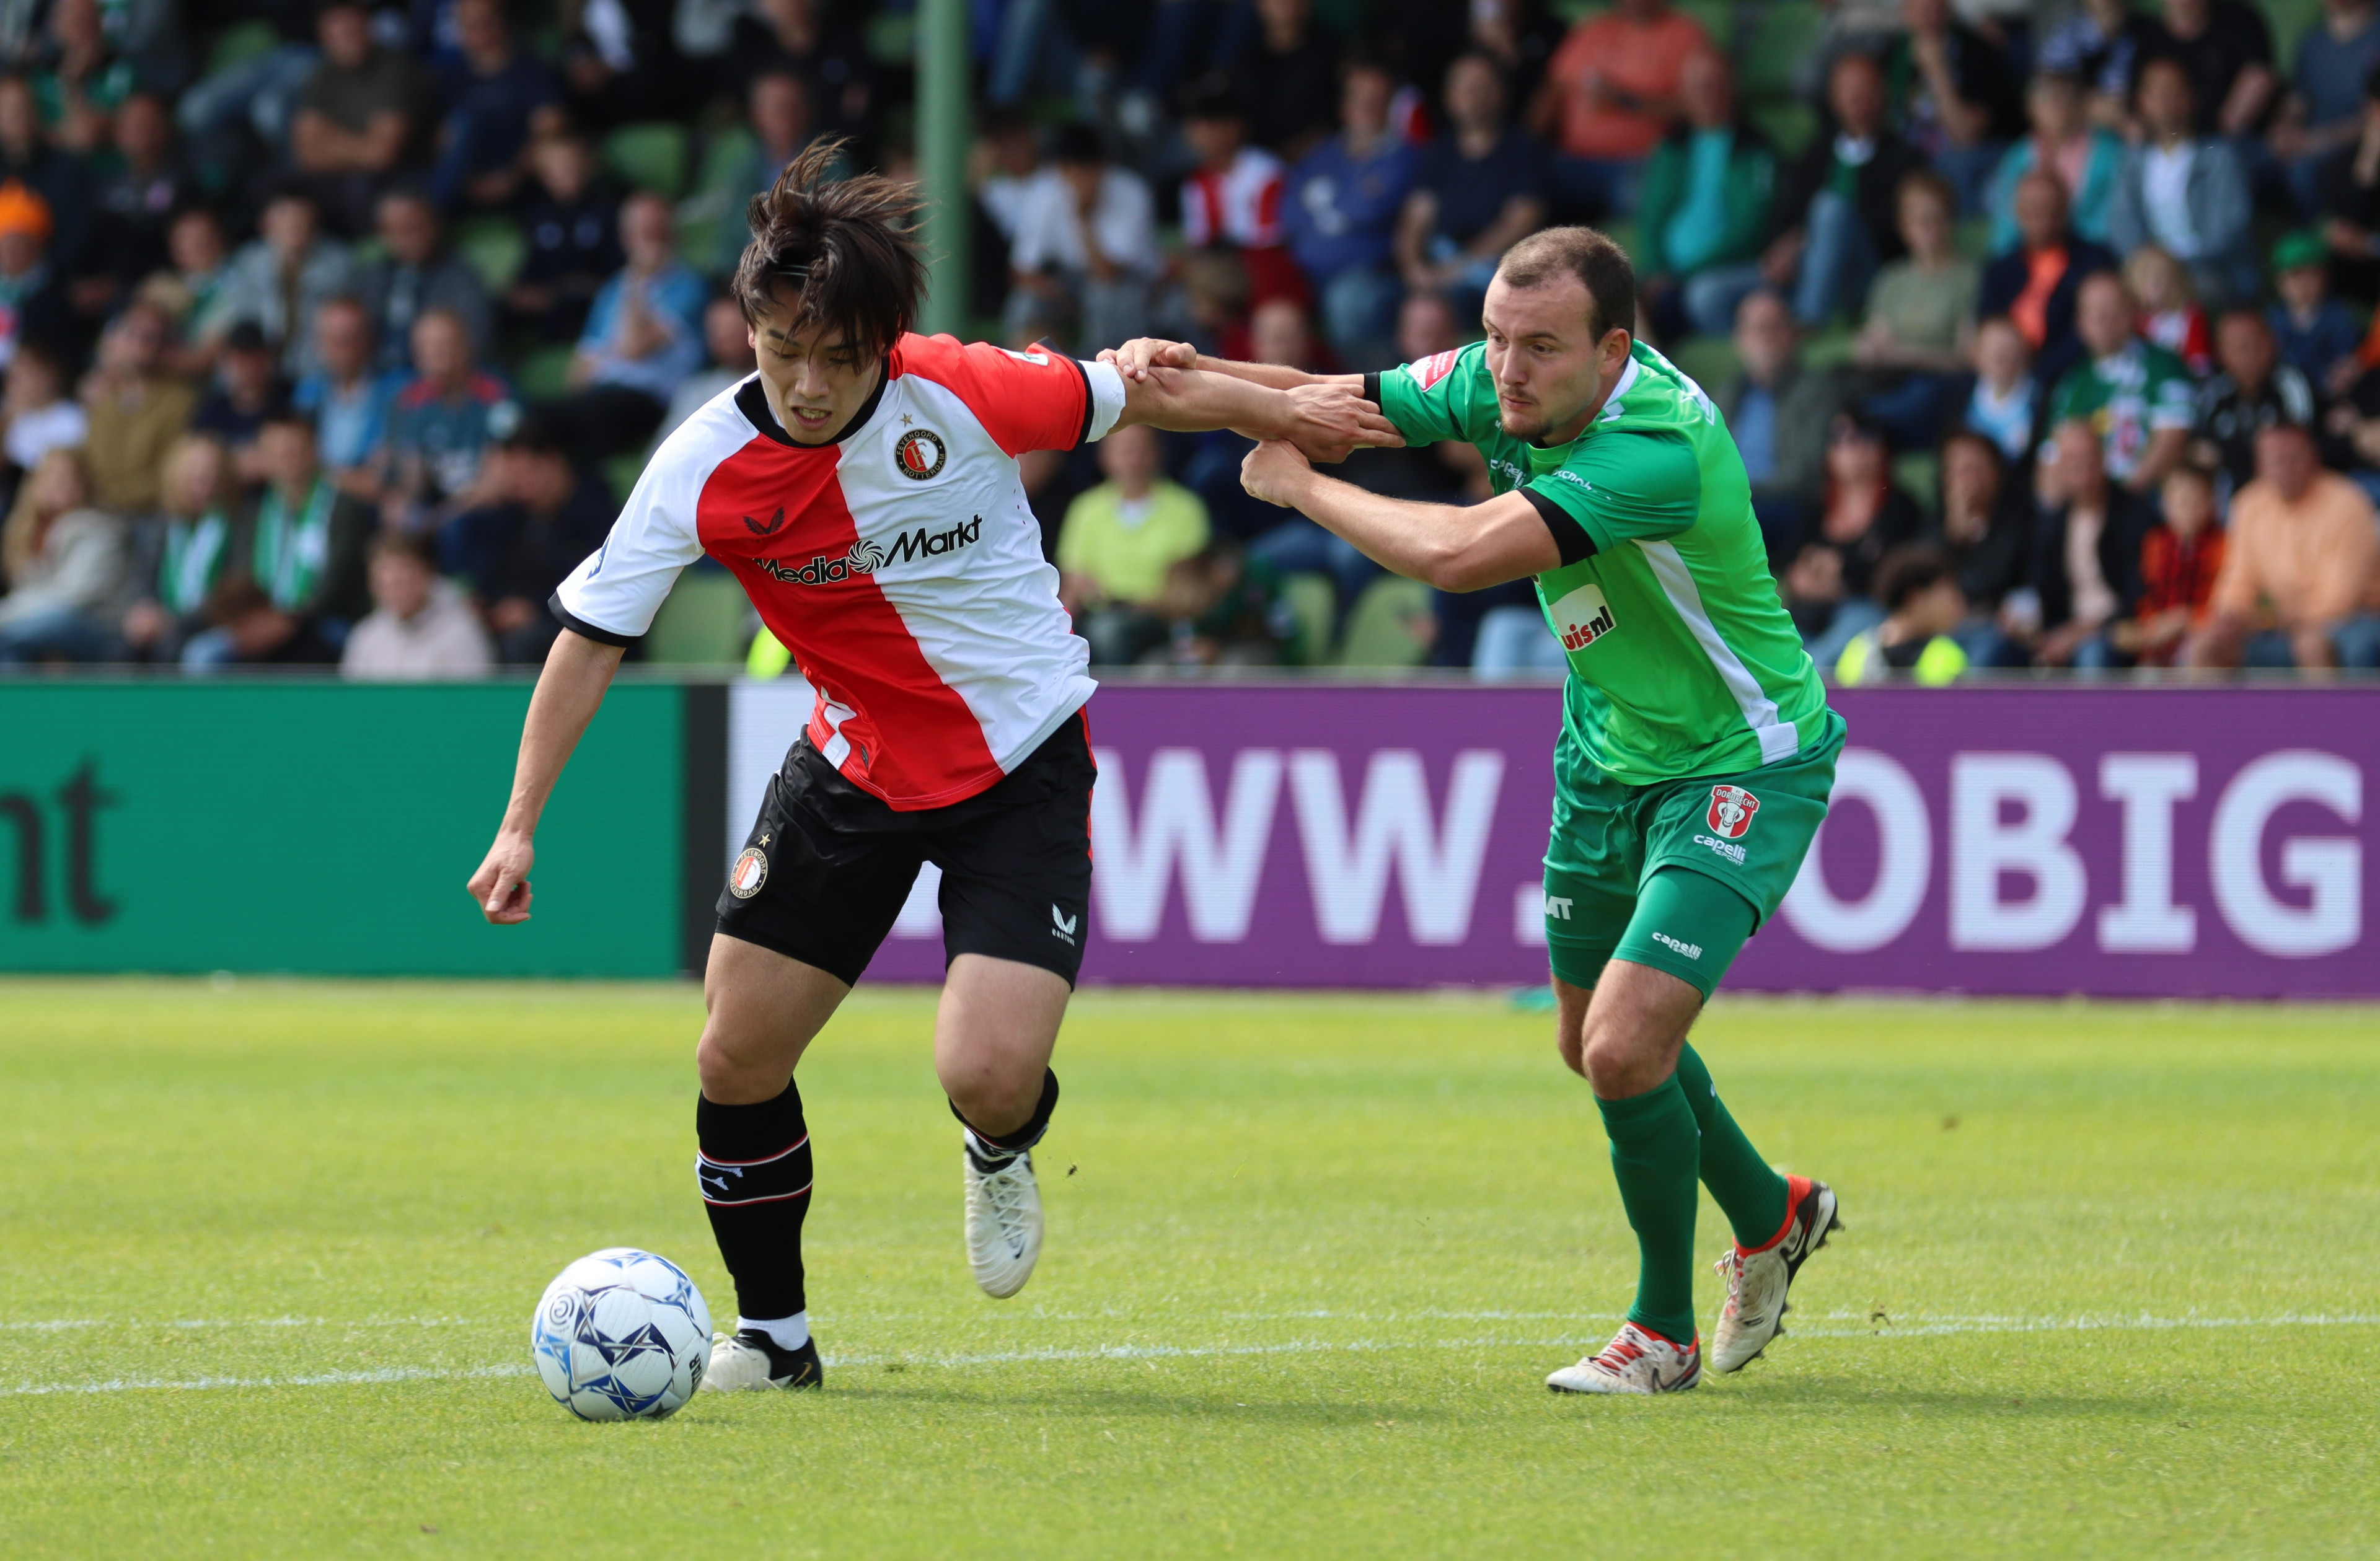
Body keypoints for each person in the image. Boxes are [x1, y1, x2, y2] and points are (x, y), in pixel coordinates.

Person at [462, 141, 1396, 1394]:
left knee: (988, 1076)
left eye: (836, 357)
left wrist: (1300, 409)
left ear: (884, 343)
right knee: (734, 1054)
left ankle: (999, 1146)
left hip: (1019, 764)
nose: (805, 382)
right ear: (748, 330)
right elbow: (590, 638)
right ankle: (775, 1338)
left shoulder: (963, 387)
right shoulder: (699, 466)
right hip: (850, 768)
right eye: (779, 350)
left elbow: (1153, 393)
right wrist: (520, 820)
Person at [1104, 225, 1846, 1395]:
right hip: (1605, 751)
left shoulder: (1654, 446)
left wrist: (1300, 487)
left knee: (1622, 1045)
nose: (1506, 369)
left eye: (1538, 347)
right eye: (1496, 337)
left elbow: (1455, 553)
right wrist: (1164, 380)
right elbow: (1329, 402)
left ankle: (1662, 1332)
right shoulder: (1506, 379)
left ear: (1613, 351)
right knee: (1587, 1042)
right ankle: (1774, 1211)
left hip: (1738, 763)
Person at [181, 411, 373, 668]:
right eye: (277, 452)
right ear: (263, 457)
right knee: (202, 654)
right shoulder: (254, 510)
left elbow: (336, 585)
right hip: (259, 621)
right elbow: (241, 576)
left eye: (294, 450)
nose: (287, 459)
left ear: (314, 451)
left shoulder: (344, 508)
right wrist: (251, 621)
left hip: (323, 621)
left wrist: (288, 621)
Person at [2188, 420, 2380, 669]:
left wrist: (2279, 620)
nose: (2286, 468)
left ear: (2314, 459)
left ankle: (2328, 698)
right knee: (2208, 646)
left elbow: (2342, 597)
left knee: (2312, 646)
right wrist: (2230, 617)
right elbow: (2238, 578)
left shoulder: (2348, 504)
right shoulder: (2249, 504)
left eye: (2294, 459)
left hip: (2353, 619)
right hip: (2283, 624)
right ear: (2260, 465)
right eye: (2277, 460)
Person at [1763, 50, 1926, 327]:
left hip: (1870, 276)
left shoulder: (1904, 158)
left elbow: (1892, 233)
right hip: (1806, 268)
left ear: (1884, 95)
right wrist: (1783, 247)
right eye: (1849, 90)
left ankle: (1807, 321)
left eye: (1867, 89)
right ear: (1833, 97)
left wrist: (1813, 236)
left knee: (1831, 208)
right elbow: (1789, 211)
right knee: (1710, 294)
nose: (1858, 98)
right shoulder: (1816, 153)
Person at [435, 414, 609, 663]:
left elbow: (598, 586)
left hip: (573, 627)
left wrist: (536, 610)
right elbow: (470, 549)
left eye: (525, 473)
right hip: (511, 623)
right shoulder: (511, 515)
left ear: (553, 463)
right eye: (511, 476)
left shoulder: (596, 512)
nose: (517, 485)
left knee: (521, 644)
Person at [1282, 58, 1417, 370]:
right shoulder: (1321, 155)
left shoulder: (1406, 157)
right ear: (1344, 106)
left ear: (1391, 106)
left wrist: (1335, 210)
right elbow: (1291, 214)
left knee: (1347, 303)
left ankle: (1368, 390)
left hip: (1372, 276)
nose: (1367, 107)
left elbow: (1372, 211)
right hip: (1306, 271)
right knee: (1275, 310)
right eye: (1358, 98)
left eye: (1377, 99)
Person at [1394, 52, 1549, 324]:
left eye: (1480, 87)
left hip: (1497, 273)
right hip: (1438, 264)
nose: (1471, 96)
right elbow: (1415, 220)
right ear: (1448, 96)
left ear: (1501, 94)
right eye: (1462, 87)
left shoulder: (1523, 151)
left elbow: (1521, 221)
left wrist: (1458, 268)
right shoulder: (1438, 154)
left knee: (1439, 308)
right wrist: (1415, 269)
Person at [1632, 51, 1776, 341]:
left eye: (1717, 85)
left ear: (1732, 89)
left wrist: (1682, 274)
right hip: (1667, 278)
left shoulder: (1754, 149)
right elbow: (1652, 215)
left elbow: (1749, 229)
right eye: (1700, 87)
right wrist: (1656, 270)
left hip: (1719, 273)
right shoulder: (1671, 147)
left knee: (1682, 302)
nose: (1710, 95)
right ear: (1684, 95)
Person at [558, 191, 705, 460]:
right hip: (603, 396)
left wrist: (639, 281)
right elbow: (577, 375)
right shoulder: (612, 291)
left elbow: (634, 348)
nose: (648, 240)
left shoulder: (688, 286)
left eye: (655, 231)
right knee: (541, 422)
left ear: (671, 234)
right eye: (639, 232)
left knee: (595, 418)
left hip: (651, 400)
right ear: (625, 238)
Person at [1535, 0, 1711, 219]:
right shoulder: (1595, 29)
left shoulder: (1684, 33)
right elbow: (1554, 89)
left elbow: (1698, 106)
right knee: (1526, 194)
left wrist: (1624, 100)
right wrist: (1526, 142)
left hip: (1640, 162)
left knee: (1646, 199)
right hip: (1573, 160)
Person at [2106, 57, 2257, 310]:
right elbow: (2121, 223)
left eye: (2175, 91)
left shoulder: (2218, 156)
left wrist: (2171, 267)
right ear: (2141, 102)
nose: (2166, 100)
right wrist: (2148, 264)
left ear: (2192, 98)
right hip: (2148, 272)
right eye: (2157, 93)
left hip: (2209, 270)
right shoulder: (2132, 161)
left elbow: (2230, 228)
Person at [1057, 422, 1212, 665]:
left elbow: (1185, 584)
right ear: (1104, 457)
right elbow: (1074, 579)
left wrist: (1138, 604)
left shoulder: (1186, 508)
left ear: (1158, 453)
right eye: (1124, 450)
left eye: (1142, 449)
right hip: (1100, 614)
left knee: (1108, 632)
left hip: (1161, 620)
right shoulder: (1086, 509)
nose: (1133, 459)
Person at [1004, 121, 1160, 357]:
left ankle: (1099, 371)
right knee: (1025, 302)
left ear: (1102, 167)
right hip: (1067, 283)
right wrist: (1059, 294)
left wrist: (1083, 218)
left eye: (1087, 168)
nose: (1078, 177)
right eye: (1070, 168)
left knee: (1105, 297)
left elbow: (1107, 273)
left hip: (1129, 283)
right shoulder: (1045, 191)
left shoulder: (1131, 191)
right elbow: (1022, 271)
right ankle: (1025, 371)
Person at [1853, 170, 1979, 451]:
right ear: (1904, 226)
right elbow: (1877, 338)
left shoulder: (1970, 278)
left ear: (1952, 221)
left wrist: (1904, 354)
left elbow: (1966, 359)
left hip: (1940, 385)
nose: (1930, 228)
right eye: (1921, 220)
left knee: (1914, 399)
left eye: (1938, 218)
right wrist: (1866, 348)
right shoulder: (1892, 279)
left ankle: (1865, 430)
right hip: (1890, 381)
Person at [1717, 288, 1845, 558]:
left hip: (1784, 507)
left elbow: (1806, 476)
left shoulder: (1817, 391)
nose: (1767, 338)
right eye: (1758, 329)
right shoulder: (1728, 394)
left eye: (1776, 327)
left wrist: (1737, 491)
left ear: (1793, 334)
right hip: (1731, 505)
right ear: (1740, 339)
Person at [2048, 271, 2195, 500]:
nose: (2103, 318)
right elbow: (2050, 465)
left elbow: (2171, 444)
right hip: (2090, 507)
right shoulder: (2071, 383)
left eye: (2113, 307)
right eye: (2093, 310)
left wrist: (2120, 506)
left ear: (2132, 312)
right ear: (2080, 322)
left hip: (2149, 504)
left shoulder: (2165, 365)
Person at [289, 0, 427, 237]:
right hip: (340, 175)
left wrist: (330, 141)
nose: (345, 40)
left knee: (359, 186)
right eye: (337, 34)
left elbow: (383, 154)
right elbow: (305, 151)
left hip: (400, 174)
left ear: (368, 27)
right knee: (283, 188)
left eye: (350, 31)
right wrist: (362, 147)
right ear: (323, 37)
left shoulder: (395, 69)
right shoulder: (323, 74)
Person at [2019, 417, 2147, 667]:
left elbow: (2136, 598)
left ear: (2104, 459)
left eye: (2089, 459)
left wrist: (2079, 633)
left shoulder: (2134, 517)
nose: (2083, 470)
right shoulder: (2052, 524)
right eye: (2073, 461)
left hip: (2116, 630)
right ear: (2060, 467)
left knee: (2092, 656)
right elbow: (2041, 589)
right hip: (2064, 627)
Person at [1977, 170, 2119, 391]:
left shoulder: (2093, 260)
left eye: (2050, 207)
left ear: (2065, 209)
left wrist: (2039, 373)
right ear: (2018, 212)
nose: (2041, 215)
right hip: (2005, 376)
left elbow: (2092, 328)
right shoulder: (2001, 268)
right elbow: (1986, 326)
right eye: (2032, 207)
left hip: (2069, 375)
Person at [384, 307, 519, 529]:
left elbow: (498, 483)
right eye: (426, 348)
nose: (436, 356)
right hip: (438, 507)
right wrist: (402, 504)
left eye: (444, 345)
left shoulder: (497, 395)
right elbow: (412, 479)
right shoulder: (410, 402)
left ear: (467, 347)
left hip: (486, 511)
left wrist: (443, 517)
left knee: (457, 529)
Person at [1882, 0, 2024, 212]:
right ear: (1906, 14)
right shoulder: (1894, 56)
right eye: (1920, 11)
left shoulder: (1977, 51)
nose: (1927, 19)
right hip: (1914, 157)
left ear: (1948, 11)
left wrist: (1937, 70)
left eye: (1934, 10)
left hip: (1979, 155)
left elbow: (1966, 136)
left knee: (1954, 163)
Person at [206, 187, 353, 382]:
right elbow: (241, 322)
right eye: (286, 220)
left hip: (320, 372)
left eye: (303, 220)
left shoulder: (339, 264)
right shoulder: (246, 263)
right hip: (262, 372)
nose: (295, 227)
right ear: (266, 224)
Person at [430, 0, 563, 213]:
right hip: (465, 183)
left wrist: (509, 177)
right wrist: (469, 181)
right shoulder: (452, 77)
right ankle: (433, 207)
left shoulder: (531, 70)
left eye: (483, 22)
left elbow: (550, 129)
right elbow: (443, 139)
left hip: (518, 181)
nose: (475, 31)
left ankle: (432, 209)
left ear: (503, 22)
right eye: (467, 24)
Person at [1179, 78, 1301, 309]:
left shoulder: (1266, 173)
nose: (1200, 133)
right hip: (1221, 267)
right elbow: (1199, 242)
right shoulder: (1196, 183)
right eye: (1197, 125)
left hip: (1264, 264)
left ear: (1235, 127)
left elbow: (1269, 241)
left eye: (1211, 124)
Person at [119, 432, 236, 664]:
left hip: (212, 622)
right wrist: (144, 612)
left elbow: (232, 592)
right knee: (122, 648)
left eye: (211, 471)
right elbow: (145, 579)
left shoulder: (235, 524)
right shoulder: (162, 525)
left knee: (176, 648)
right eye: (195, 471)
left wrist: (173, 621)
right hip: (163, 619)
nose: (204, 477)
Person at [353, 188, 495, 378]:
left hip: (439, 379)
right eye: (398, 231)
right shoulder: (372, 276)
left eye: (415, 227)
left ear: (435, 225)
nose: (410, 239)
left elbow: (475, 343)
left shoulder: (462, 278)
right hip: (376, 379)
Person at [2095, 462, 2226, 666]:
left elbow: (2224, 602)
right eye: (2182, 502)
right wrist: (2151, 626)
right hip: (2156, 635)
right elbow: (2146, 593)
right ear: (2165, 506)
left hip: (2201, 634)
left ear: (2212, 504)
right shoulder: (2155, 544)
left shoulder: (2222, 545)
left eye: (2198, 501)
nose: (2190, 510)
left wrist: (2185, 620)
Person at [0, 444, 122, 662]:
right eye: (49, 475)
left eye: (67, 476)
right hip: (32, 628)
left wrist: (6, 616)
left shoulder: (98, 530)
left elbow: (70, 599)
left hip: (94, 630)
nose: (58, 483)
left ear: (83, 483)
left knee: (57, 619)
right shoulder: (25, 532)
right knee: (7, 655)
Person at [1983, 70, 2124, 255]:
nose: (2056, 106)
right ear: (2031, 108)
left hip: (2090, 253)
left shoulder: (2109, 151)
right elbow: (2006, 221)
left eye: (2065, 98)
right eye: (2047, 99)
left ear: (2081, 105)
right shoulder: (2018, 155)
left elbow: (2113, 218)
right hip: (2029, 256)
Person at [506, 130, 625, 343]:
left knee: (566, 307)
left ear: (587, 166)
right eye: (558, 167)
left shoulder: (607, 208)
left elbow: (617, 272)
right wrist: (522, 290)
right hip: (548, 298)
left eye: (572, 164)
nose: (567, 172)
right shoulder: (537, 214)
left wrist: (559, 290)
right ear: (544, 175)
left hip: (591, 297)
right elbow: (534, 263)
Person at [79, 297, 195, 516]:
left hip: (150, 514)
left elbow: (170, 475)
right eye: (131, 333)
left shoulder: (181, 402)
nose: (138, 344)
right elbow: (91, 463)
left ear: (166, 347)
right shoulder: (104, 397)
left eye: (149, 337)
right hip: (97, 509)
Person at [2270, 0, 2380, 216]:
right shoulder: (2312, 40)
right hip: (2307, 139)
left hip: (2355, 143)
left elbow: (2374, 115)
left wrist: (2317, 141)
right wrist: (2286, 127)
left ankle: (2327, 231)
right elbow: (2298, 98)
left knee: (2303, 172)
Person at [2195, 308, 2318, 498]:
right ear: (2220, 353)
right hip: (2225, 494)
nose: (2251, 351)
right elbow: (2199, 450)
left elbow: (2296, 448)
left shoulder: (2291, 384)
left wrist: (2225, 454)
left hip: (2282, 491)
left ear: (2273, 342)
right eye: (2240, 345)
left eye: (2257, 342)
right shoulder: (2213, 392)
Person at [342, 528, 493, 679]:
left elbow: (473, 693)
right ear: (373, 584)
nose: (397, 588)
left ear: (426, 574)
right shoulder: (365, 636)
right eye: (388, 581)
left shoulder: (462, 633)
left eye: (403, 576)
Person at [293, 297, 397, 499]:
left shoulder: (393, 393)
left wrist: (316, 473)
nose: (343, 350)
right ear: (319, 344)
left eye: (350, 339)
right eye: (334, 340)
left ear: (368, 340)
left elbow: (378, 481)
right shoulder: (307, 394)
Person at [2134, 0, 2276, 140]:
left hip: (2233, 138)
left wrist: (2223, 131)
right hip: (2170, 143)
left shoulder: (2239, 20)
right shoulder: (2148, 39)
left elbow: (2260, 77)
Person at [1832, 545, 1971, 684]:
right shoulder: (1857, 652)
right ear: (1916, 599)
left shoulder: (1858, 649)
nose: (1960, 608)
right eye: (1950, 598)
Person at [1225, 0, 1340, 160]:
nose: (1285, 4)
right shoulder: (1244, 59)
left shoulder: (1334, 55)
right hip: (1256, 161)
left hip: (1319, 159)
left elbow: (1339, 118)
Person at [189, 320, 291, 476]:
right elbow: (195, 455)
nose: (248, 366)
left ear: (269, 358)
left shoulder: (291, 398)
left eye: (254, 357)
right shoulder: (213, 409)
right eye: (240, 359)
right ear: (226, 362)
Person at [654, 296, 757, 446]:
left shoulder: (773, 387)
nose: (725, 337)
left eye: (732, 330)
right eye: (717, 330)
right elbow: (665, 447)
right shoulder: (695, 390)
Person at [2268, 230, 2363, 392]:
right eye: (2296, 274)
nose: (2303, 283)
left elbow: (2346, 365)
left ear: (2326, 277)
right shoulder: (2272, 319)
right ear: (2280, 281)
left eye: (2312, 274)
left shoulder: (2341, 319)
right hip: (2283, 395)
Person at [2126, 243, 2212, 376]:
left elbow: (2201, 362)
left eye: (2166, 276)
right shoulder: (2136, 322)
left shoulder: (2191, 315)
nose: (2162, 284)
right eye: (2152, 279)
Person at [0, 338, 82, 475]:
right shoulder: (9, 408)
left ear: (50, 375)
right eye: (16, 367)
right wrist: (8, 419)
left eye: (28, 370)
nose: (16, 377)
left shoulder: (71, 419)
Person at [1963, 314, 2038, 462]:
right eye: (1993, 348)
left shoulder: (2041, 398)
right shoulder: (1959, 396)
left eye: (2009, 347)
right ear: (1976, 355)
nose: (2001, 354)